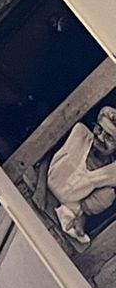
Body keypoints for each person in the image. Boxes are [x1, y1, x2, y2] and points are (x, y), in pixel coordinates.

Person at [48, 105, 116, 246]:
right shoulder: (80, 133)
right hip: (38, 191)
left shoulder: (112, 172)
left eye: (109, 137)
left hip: (62, 216)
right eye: (99, 128)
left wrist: (80, 220)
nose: (100, 137)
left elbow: (92, 205)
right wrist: (40, 189)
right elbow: (47, 156)